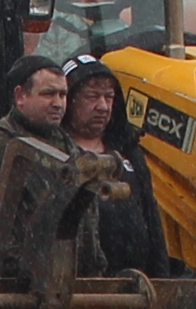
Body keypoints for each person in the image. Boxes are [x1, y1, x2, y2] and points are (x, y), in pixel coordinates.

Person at [64, 57, 168, 275]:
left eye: (109, 97)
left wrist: (161, 278)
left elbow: (151, 217)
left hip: (135, 283)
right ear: (70, 100)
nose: (102, 106)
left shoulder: (128, 150)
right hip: (78, 285)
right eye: (92, 97)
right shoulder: (53, 152)